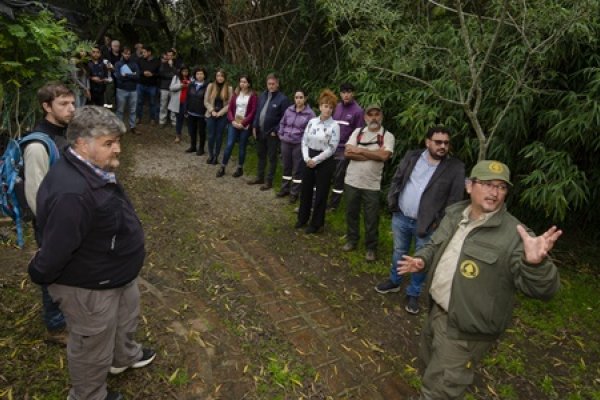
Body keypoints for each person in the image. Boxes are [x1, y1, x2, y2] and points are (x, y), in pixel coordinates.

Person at [397, 160, 562, 400]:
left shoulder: (515, 234)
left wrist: (535, 264)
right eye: (486, 184)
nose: (494, 193)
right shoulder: (455, 213)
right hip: (435, 312)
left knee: (441, 390)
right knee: (428, 368)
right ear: (469, 186)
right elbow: (435, 245)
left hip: (465, 332)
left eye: (501, 187)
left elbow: (546, 290)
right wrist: (422, 260)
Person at [28, 106, 156, 400]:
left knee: (125, 319)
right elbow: (56, 250)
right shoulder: (72, 193)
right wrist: (38, 272)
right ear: (82, 144)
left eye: (117, 141)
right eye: (109, 143)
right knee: (91, 346)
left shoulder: (91, 168)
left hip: (114, 274)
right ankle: (89, 394)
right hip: (89, 286)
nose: (118, 149)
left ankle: (122, 357)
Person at [375, 126, 465, 314]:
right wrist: (393, 201)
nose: (442, 146)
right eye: (438, 142)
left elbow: (454, 201)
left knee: (420, 259)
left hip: (428, 224)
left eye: (446, 143)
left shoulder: (455, 167)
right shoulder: (413, 156)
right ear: (427, 142)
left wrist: (438, 223)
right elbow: (398, 179)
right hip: (401, 216)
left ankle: (414, 293)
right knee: (399, 251)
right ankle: (394, 281)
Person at [23, 83, 75, 344]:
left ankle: (67, 314)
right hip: (51, 224)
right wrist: (53, 229)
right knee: (51, 269)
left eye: (72, 103)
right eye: (63, 104)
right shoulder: (37, 146)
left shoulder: (62, 134)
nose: (71, 109)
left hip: (65, 219)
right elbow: (35, 197)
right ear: (46, 107)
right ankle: (55, 326)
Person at [342, 104, 394, 261]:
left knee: (371, 218)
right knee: (351, 213)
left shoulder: (387, 136)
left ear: (381, 117)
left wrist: (361, 150)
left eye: (376, 114)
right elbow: (347, 152)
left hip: (372, 184)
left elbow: (385, 156)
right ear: (365, 117)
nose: (373, 118)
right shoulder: (358, 132)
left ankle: (371, 248)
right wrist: (374, 153)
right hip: (352, 180)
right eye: (370, 115)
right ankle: (352, 240)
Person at [295, 89, 340, 234]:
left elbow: (332, 148)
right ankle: (302, 218)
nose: (327, 109)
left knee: (321, 192)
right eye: (325, 106)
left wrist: (316, 160)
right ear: (320, 106)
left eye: (330, 107)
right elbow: (304, 141)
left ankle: (316, 223)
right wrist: (307, 158)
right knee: (306, 189)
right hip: (309, 157)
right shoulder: (312, 122)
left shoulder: (334, 126)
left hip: (324, 160)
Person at [248, 73, 291, 191]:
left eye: (273, 84)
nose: (271, 86)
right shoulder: (262, 95)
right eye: (269, 84)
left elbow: (285, 118)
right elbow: (258, 112)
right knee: (261, 155)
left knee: (272, 158)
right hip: (260, 131)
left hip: (272, 134)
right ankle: (259, 177)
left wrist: (276, 131)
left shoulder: (283, 99)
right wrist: (254, 126)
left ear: (277, 84)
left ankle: (269, 181)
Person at [328, 82, 364, 210]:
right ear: (340, 94)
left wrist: (350, 149)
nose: (346, 95)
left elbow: (359, 133)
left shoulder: (358, 111)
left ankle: (333, 206)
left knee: (339, 178)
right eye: (343, 92)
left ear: (353, 93)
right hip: (330, 147)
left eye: (349, 92)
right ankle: (319, 201)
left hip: (344, 150)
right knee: (326, 175)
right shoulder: (336, 107)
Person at [276, 88, 316, 203]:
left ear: (305, 98)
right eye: (296, 97)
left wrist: (303, 141)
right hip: (285, 142)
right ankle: (284, 189)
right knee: (286, 166)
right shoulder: (289, 110)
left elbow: (311, 130)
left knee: (297, 169)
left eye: (301, 97)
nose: (298, 100)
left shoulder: (310, 114)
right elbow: (282, 123)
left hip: (299, 144)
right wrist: (281, 134)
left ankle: (294, 193)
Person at [217, 74, 258, 178]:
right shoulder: (236, 93)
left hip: (245, 125)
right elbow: (230, 108)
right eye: (241, 82)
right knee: (229, 144)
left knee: (242, 146)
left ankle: (239, 168)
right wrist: (232, 121)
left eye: (244, 82)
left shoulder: (253, 95)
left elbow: (253, 112)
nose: (242, 84)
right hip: (234, 123)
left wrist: (243, 123)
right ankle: (223, 166)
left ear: (248, 84)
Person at [204, 68, 233, 164]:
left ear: (225, 77)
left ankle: (216, 156)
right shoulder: (210, 86)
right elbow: (206, 101)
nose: (219, 78)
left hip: (222, 115)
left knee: (219, 136)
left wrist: (219, 113)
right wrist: (212, 111)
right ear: (215, 77)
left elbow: (230, 104)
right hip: (211, 114)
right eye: (218, 76)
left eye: (221, 76)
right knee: (211, 136)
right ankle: (211, 155)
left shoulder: (229, 88)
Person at [114, 46, 140, 135]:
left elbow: (137, 77)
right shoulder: (118, 64)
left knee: (133, 110)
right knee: (120, 110)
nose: (127, 55)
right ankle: (119, 128)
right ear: (122, 54)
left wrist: (126, 75)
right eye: (125, 54)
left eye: (129, 54)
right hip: (121, 90)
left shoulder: (134, 64)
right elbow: (119, 77)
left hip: (133, 90)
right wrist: (131, 74)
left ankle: (133, 127)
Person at [185, 67, 209, 154]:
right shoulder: (191, 85)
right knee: (192, 130)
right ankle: (193, 146)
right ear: (195, 75)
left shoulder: (208, 86)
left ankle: (201, 148)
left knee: (202, 131)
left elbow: (209, 100)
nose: (199, 76)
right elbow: (187, 97)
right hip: (191, 111)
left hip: (202, 113)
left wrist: (207, 112)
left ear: (204, 75)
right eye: (197, 74)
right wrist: (186, 109)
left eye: (201, 74)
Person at [136, 46, 160, 125]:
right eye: (142, 52)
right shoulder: (140, 60)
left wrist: (152, 74)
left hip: (152, 85)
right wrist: (143, 73)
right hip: (141, 84)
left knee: (153, 103)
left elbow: (160, 74)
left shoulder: (157, 61)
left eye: (144, 52)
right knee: (139, 102)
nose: (143, 54)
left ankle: (152, 119)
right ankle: (138, 118)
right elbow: (136, 71)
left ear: (149, 52)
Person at [168, 65, 190, 143]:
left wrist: (189, 85)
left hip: (188, 102)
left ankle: (191, 134)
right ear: (180, 71)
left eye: (186, 71)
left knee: (189, 119)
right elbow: (171, 88)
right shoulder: (176, 78)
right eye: (183, 71)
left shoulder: (191, 79)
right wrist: (181, 85)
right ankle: (178, 135)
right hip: (179, 102)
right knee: (179, 119)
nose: (185, 73)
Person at [158, 49, 177, 127]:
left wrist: (172, 66)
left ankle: (174, 121)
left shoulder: (176, 64)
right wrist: (171, 75)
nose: (169, 57)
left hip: (174, 87)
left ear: (173, 56)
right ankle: (162, 121)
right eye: (168, 55)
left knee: (173, 105)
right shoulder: (163, 64)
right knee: (163, 105)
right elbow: (162, 74)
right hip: (164, 87)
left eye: (171, 55)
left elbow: (177, 74)